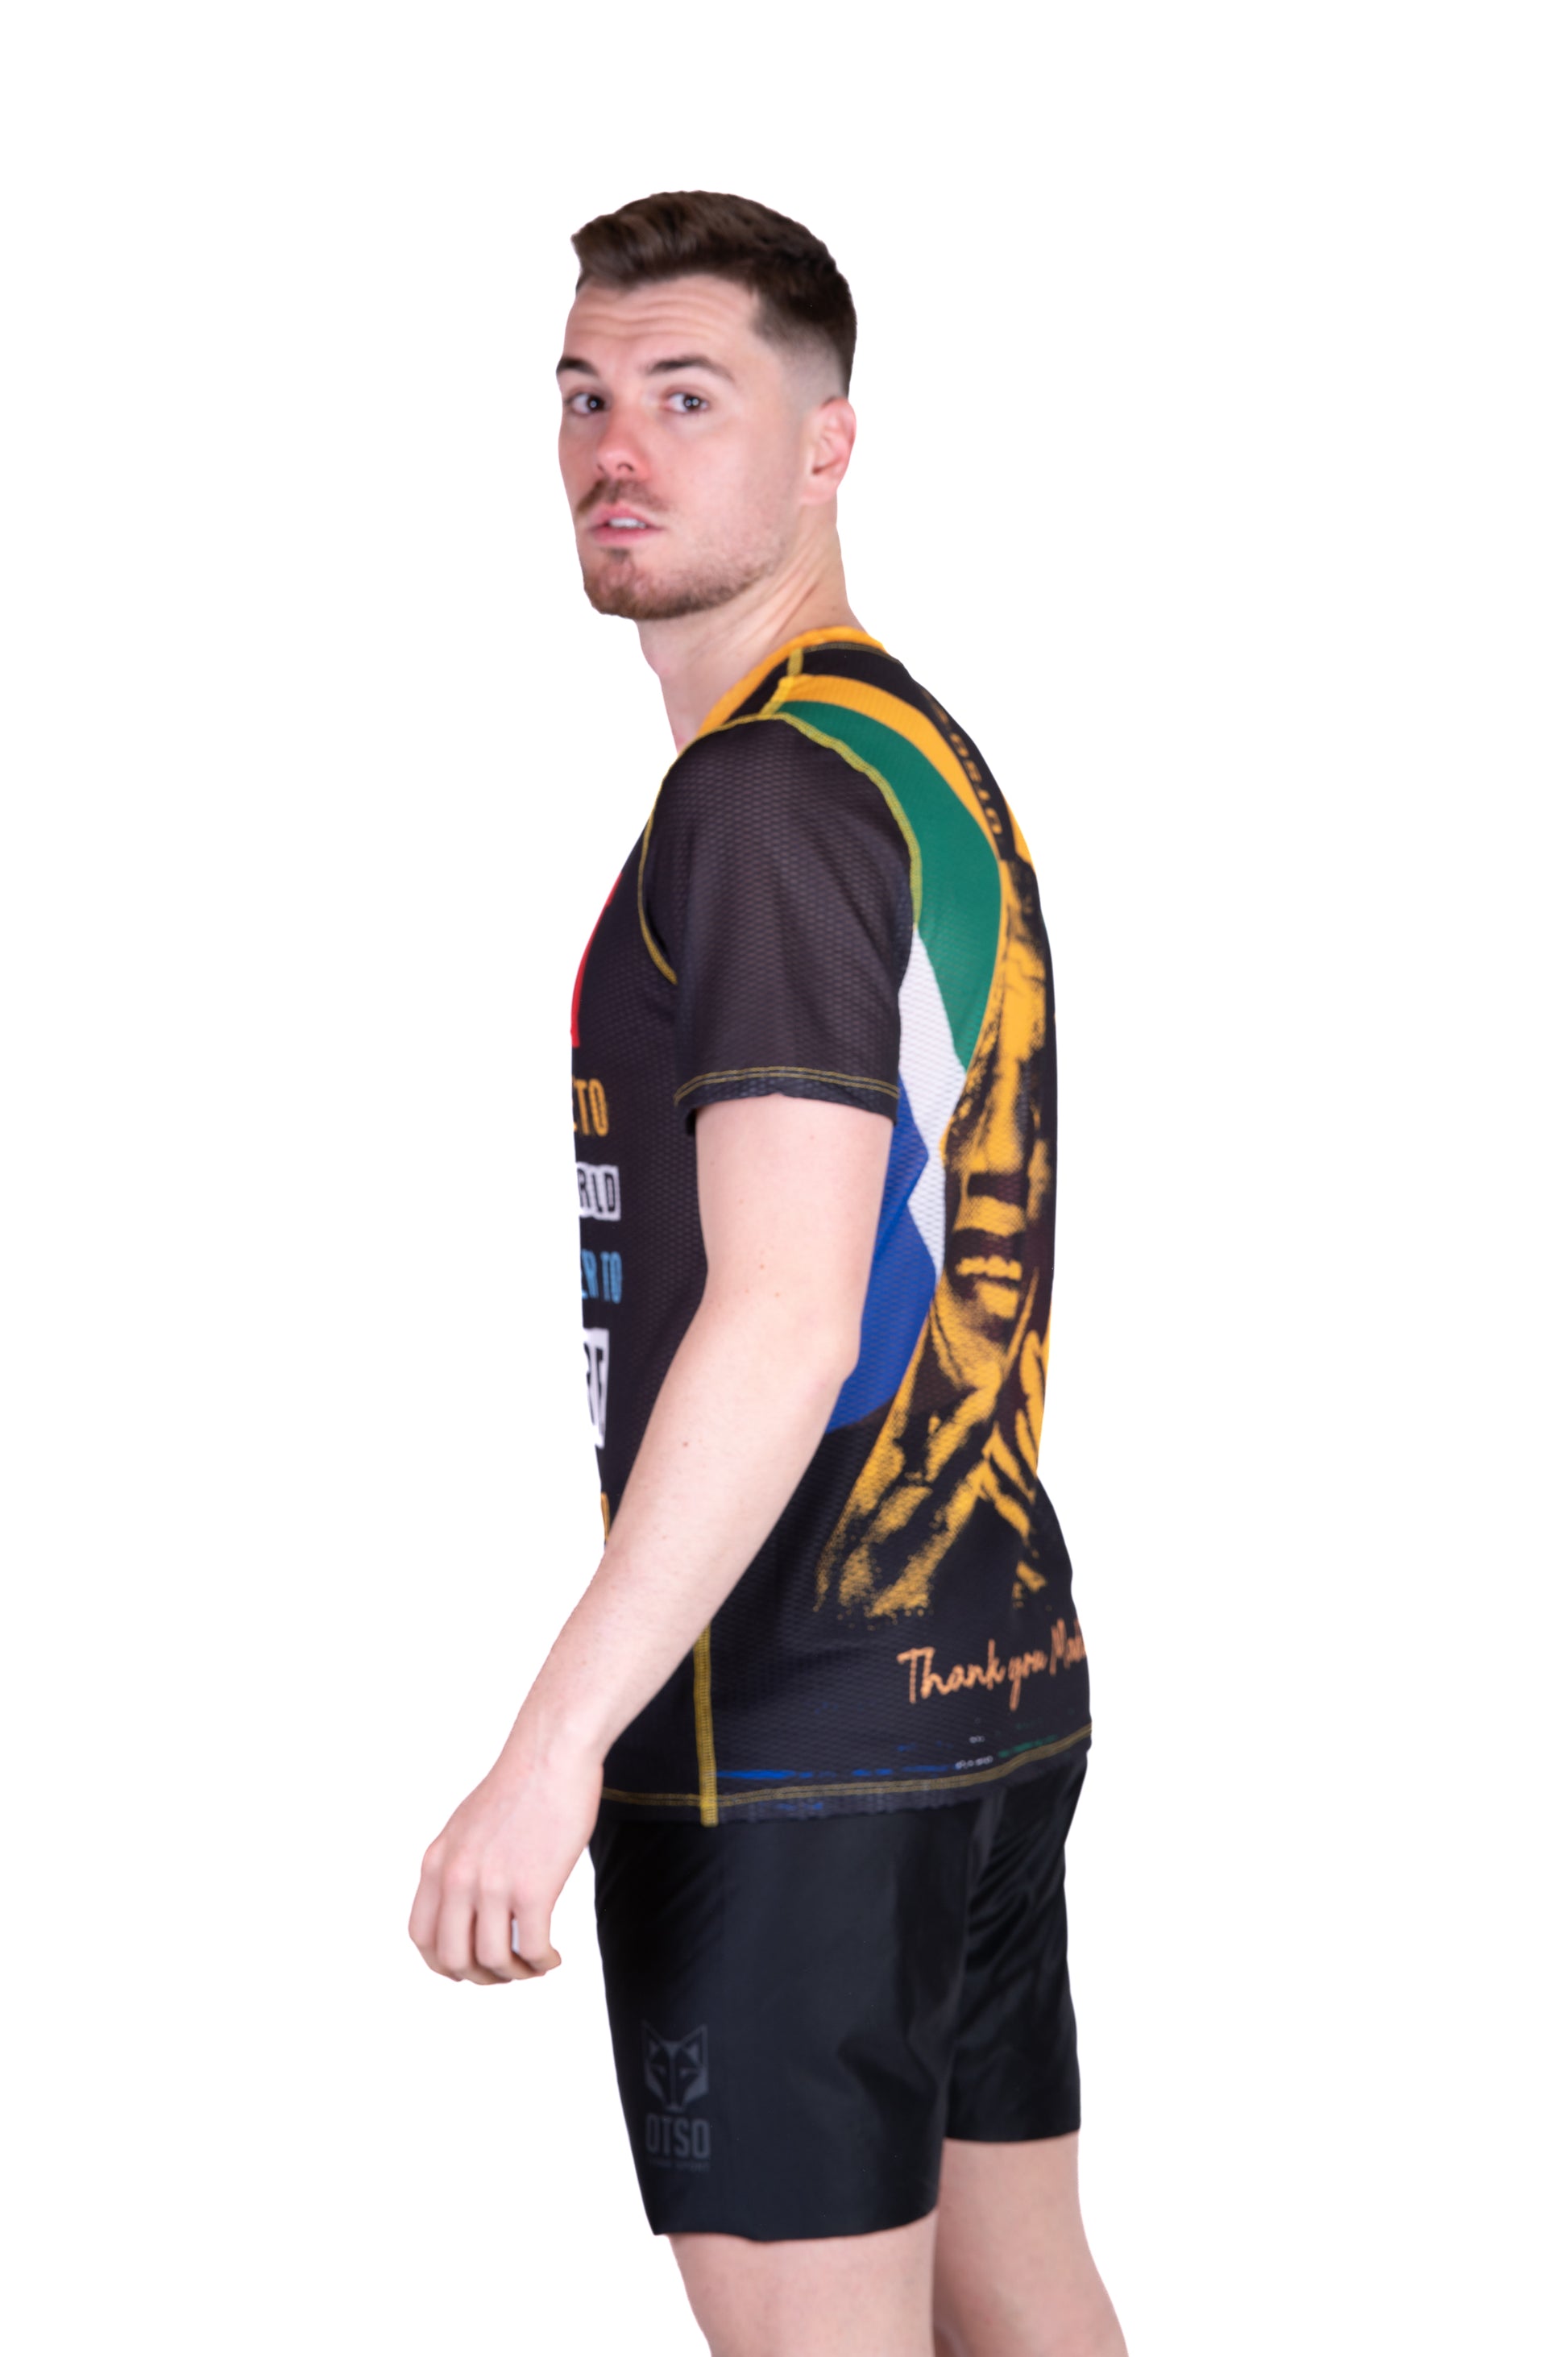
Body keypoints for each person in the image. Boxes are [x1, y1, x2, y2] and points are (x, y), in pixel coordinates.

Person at [409, 190, 1126, 2357]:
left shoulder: (763, 800)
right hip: (987, 1682)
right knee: (1028, 2316)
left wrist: (550, 1749)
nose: (614, 451)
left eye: (686, 398)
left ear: (828, 444)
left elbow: (794, 1310)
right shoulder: (909, 748)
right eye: (582, 398)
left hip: (789, 1738)